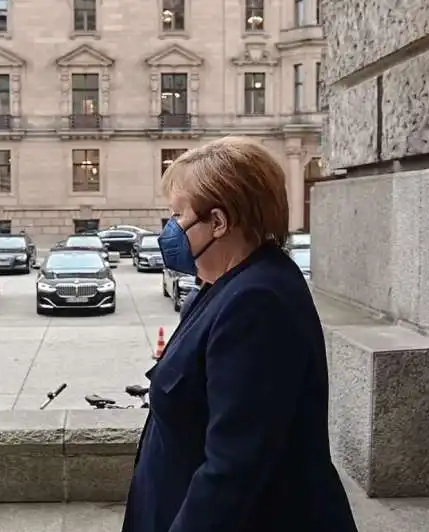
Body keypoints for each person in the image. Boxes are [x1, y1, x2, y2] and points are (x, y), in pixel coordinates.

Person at [122, 136, 358, 532]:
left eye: (178, 215)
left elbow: (233, 468)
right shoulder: (222, 285)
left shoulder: (257, 301)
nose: (169, 230)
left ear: (218, 222)